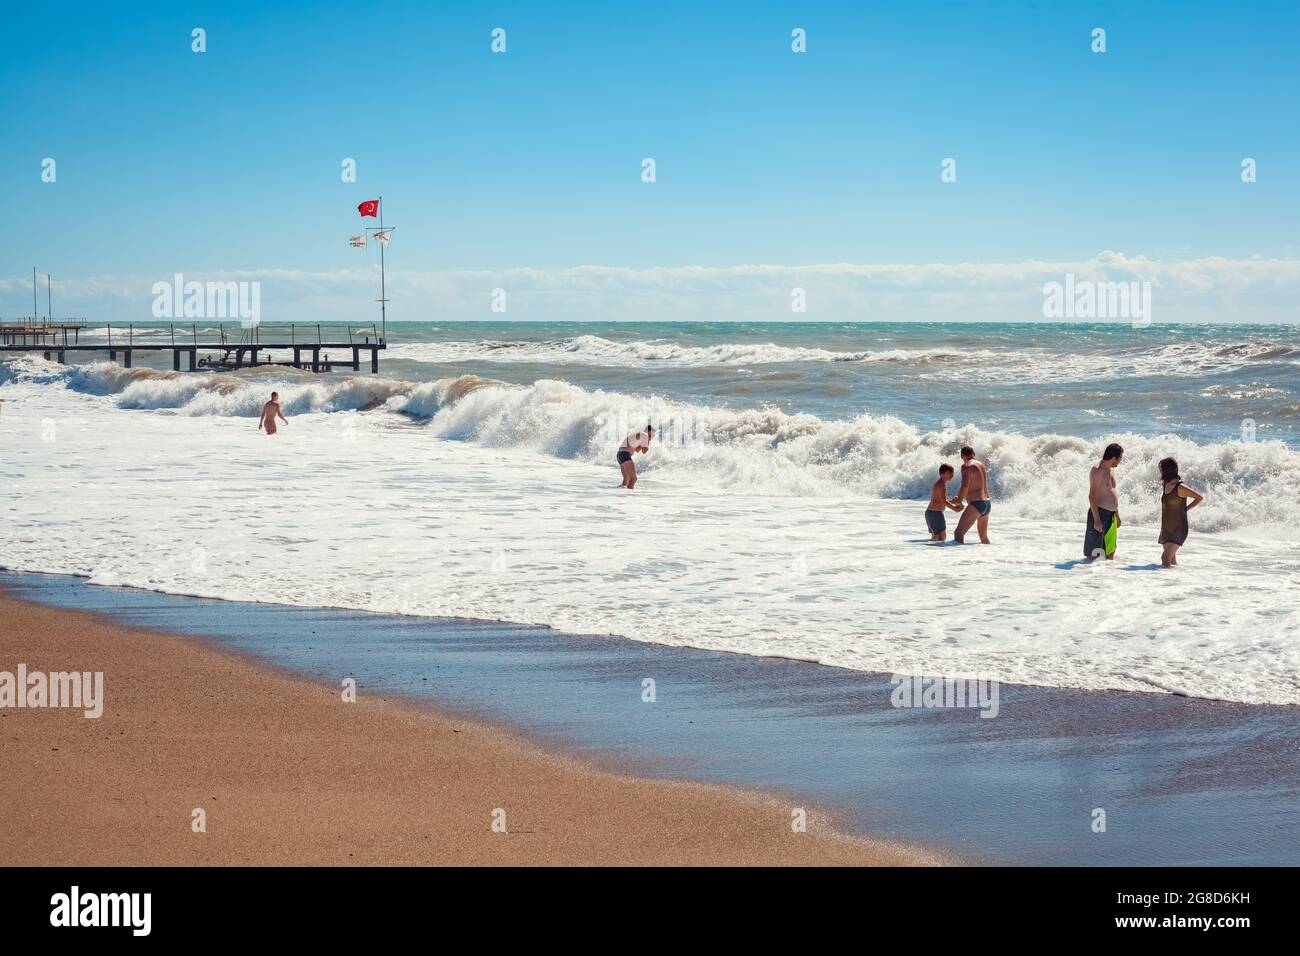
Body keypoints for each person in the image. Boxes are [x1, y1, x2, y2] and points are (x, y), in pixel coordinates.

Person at [1157, 457, 1204, 567]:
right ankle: (1176, 577)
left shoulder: (1180, 487)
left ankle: (1164, 578)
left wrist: (1186, 508)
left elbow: (1199, 498)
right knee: (1171, 560)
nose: (1160, 472)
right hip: (1166, 528)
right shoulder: (1165, 484)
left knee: (1165, 557)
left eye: (1161, 469)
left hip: (1178, 529)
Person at [1085, 443, 1123, 559]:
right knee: (1096, 556)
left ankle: (1107, 572)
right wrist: (1096, 520)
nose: (1120, 461)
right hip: (1100, 514)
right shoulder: (1097, 470)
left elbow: (1112, 491)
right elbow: (1092, 496)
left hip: (1111, 516)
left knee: (1110, 554)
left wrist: (1117, 515)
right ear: (1114, 458)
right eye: (1120, 458)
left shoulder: (1111, 469)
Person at [952, 446, 992, 544]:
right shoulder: (981, 464)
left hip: (977, 504)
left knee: (958, 533)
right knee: (984, 538)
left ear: (962, 456)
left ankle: (957, 554)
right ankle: (991, 554)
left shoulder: (966, 466)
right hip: (987, 504)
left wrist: (959, 501)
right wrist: (959, 498)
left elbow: (965, 486)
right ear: (973, 454)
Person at [925, 464, 964, 541]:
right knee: (941, 537)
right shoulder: (941, 484)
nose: (952, 475)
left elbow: (940, 501)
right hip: (935, 513)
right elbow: (943, 501)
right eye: (950, 473)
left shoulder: (942, 483)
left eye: (952, 473)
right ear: (944, 473)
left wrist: (952, 502)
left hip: (933, 513)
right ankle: (928, 548)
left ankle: (927, 548)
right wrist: (954, 509)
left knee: (938, 538)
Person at [617, 424, 654, 489]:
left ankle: (620, 492)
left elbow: (637, 450)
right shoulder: (645, 435)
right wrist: (648, 441)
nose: (653, 436)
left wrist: (643, 444)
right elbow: (644, 451)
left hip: (620, 454)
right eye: (653, 434)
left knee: (626, 479)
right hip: (625, 454)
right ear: (650, 432)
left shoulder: (640, 435)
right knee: (634, 479)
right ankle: (629, 494)